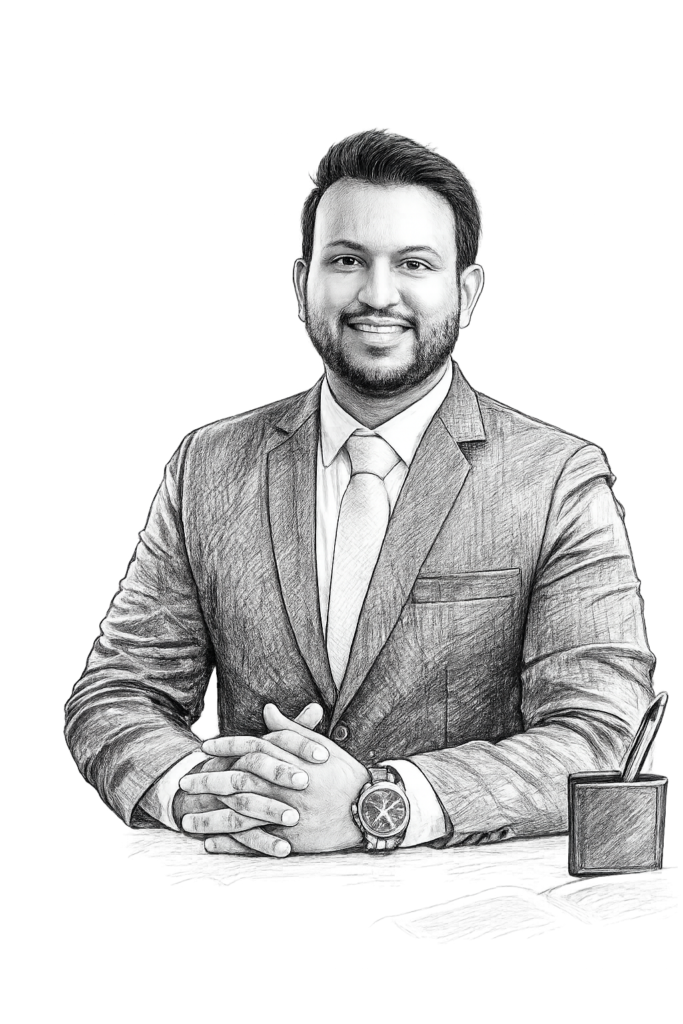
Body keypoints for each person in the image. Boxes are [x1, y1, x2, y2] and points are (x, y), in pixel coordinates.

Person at [63, 126, 655, 858]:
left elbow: (605, 735)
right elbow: (116, 693)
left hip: (478, 905)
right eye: (346, 260)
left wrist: (381, 803)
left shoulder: (556, 477)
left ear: (468, 291)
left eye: (414, 263)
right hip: (234, 895)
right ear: (300, 282)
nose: (378, 295)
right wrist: (197, 790)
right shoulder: (207, 466)